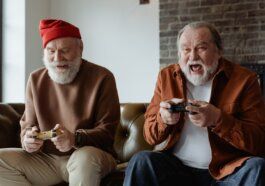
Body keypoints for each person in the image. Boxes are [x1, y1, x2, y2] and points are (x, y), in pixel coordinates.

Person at [124, 21, 265, 186]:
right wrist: (164, 119)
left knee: (258, 167)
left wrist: (218, 119)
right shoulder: (167, 76)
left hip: (227, 172)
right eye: (186, 49)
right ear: (179, 53)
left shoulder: (245, 80)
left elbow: (259, 141)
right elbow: (150, 135)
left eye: (201, 48)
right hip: (177, 170)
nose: (193, 57)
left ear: (219, 51)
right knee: (141, 160)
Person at [0, 19, 120, 186]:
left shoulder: (103, 77)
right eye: (51, 51)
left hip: (90, 155)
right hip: (47, 161)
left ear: (80, 48)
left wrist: (75, 139)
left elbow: (107, 132)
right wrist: (28, 140)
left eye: (65, 50)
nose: (57, 58)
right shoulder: (35, 79)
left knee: (85, 159)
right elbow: (28, 125)